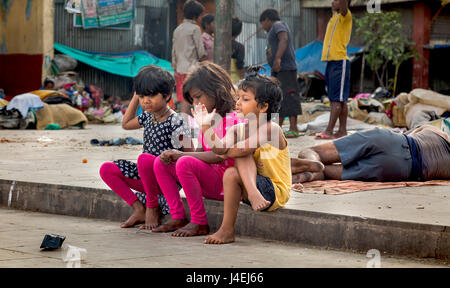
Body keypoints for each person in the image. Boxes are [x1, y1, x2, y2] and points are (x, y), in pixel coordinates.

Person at [193, 66, 292, 245]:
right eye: (238, 97)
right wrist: (206, 127)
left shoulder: (271, 129)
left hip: (274, 191)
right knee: (231, 173)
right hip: (254, 189)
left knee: (241, 150)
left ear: (263, 107)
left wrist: (224, 152)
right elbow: (220, 148)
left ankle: (253, 193)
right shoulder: (238, 129)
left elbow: (233, 151)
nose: (238, 102)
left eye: (245, 99)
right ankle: (226, 230)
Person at [152, 62, 241, 237]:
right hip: (208, 180)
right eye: (192, 99)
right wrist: (176, 155)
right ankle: (178, 216)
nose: (195, 103)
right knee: (160, 163)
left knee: (184, 161)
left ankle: (199, 222)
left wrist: (182, 155)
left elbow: (219, 155)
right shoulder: (206, 120)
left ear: (216, 91)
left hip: (225, 184)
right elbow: (198, 152)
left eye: (198, 97)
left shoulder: (232, 119)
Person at [99, 65, 193, 230]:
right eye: (142, 96)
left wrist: (172, 155)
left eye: (151, 95)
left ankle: (152, 205)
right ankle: (139, 209)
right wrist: (136, 95)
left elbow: (190, 155)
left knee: (145, 159)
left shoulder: (176, 121)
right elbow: (126, 124)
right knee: (107, 169)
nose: (145, 101)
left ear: (166, 96)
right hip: (146, 176)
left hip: (166, 179)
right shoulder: (148, 116)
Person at [291, 125, 450, 185]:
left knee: (315, 151)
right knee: (326, 173)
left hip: (392, 140)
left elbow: (412, 132)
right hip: (402, 169)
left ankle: (311, 161)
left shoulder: (438, 133)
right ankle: (309, 175)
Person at [260, 8, 302, 138]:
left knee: (289, 96)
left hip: (285, 68)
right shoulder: (272, 30)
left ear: (267, 19)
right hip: (278, 69)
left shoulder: (278, 25)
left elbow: (284, 39)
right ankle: (277, 127)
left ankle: (293, 128)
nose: (262, 27)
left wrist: (277, 58)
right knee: (279, 97)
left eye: (262, 23)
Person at [316, 0, 352, 140]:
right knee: (338, 99)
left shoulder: (346, 16)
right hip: (331, 62)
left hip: (340, 61)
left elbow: (343, 5)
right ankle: (342, 130)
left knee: (337, 100)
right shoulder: (334, 17)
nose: (333, 1)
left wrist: (341, 3)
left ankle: (329, 131)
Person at [172, 0, 207, 115]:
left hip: (179, 70)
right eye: (200, 15)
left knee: (183, 99)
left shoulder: (177, 29)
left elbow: (174, 53)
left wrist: (175, 69)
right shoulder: (195, 29)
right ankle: (196, 125)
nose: (201, 18)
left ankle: (183, 126)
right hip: (192, 70)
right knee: (196, 97)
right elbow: (201, 52)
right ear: (195, 16)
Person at [230, 16, 245, 84]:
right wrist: (243, 78)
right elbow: (239, 65)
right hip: (234, 80)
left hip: (218, 79)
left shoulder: (217, 44)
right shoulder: (239, 47)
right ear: (239, 32)